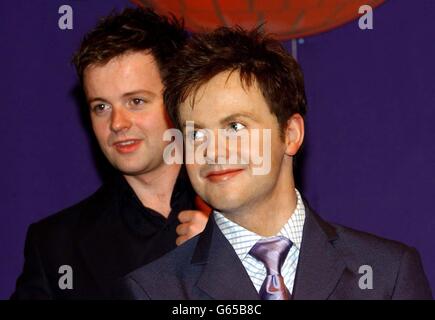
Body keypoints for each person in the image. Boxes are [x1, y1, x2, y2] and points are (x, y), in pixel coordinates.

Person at [118, 26, 433, 300]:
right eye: (195, 134)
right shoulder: (154, 291)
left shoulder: (386, 275)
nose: (211, 151)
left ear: (291, 134)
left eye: (235, 127)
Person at [11, 7, 209, 300]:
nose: (117, 123)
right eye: (101, 107)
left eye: (136, 101)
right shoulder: (57, 246)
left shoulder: (245, 216)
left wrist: (231, 268)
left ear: (177, 100)